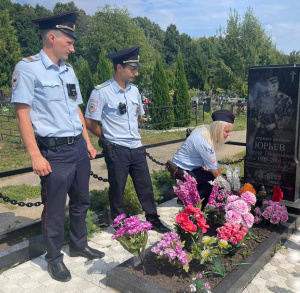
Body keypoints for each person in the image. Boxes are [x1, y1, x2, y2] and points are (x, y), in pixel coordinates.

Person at [11, 11, 104, 283]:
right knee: (54, 209)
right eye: (69, 43)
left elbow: (75, 107)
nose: (73, 49)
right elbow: (22, 114)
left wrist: (86, 141)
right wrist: (35, 155)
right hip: (54, 152)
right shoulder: (27, 68)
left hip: (77, 148)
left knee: (81, 201)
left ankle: (78, 244)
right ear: (52, 37)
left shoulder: (68, 70)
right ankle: (54, 259)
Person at [85, 45, 170, 233]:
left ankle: (153, 219)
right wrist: (106, 136)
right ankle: (119, 224)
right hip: (117, 149)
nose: (136, 73)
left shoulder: (134, 91)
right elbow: (90, 121)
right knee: (117, 188)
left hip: (136, 147)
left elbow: (138, 116)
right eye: (133, 69)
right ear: (119, 68)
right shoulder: (101, 91)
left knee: (145, 186)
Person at [172, 110, 235, 209]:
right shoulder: (206, 143)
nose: (229, 134)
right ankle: (194, 210)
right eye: (227, 131)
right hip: (182, 170)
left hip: (186, 166)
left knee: (212, 180)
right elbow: (216, 173)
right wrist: (233, 188)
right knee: (214, 183)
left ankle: (188, 199)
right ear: (218, 129)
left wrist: (203, 163)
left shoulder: (204, 129)